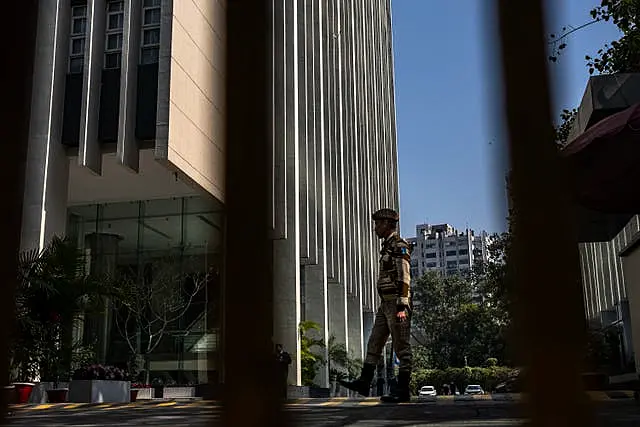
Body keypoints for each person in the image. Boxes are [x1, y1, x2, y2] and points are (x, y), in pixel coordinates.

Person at [340, 208, 413, 403]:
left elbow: (404, 275)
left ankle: (403, 390)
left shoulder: (399, 245)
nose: (375, 228)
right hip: (385, 304)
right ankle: (364, 382)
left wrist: (401, 305)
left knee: (402, 347)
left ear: (389, 224)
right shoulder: (387, 246)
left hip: (396, 304)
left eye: (378, 224)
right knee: (374, 342)